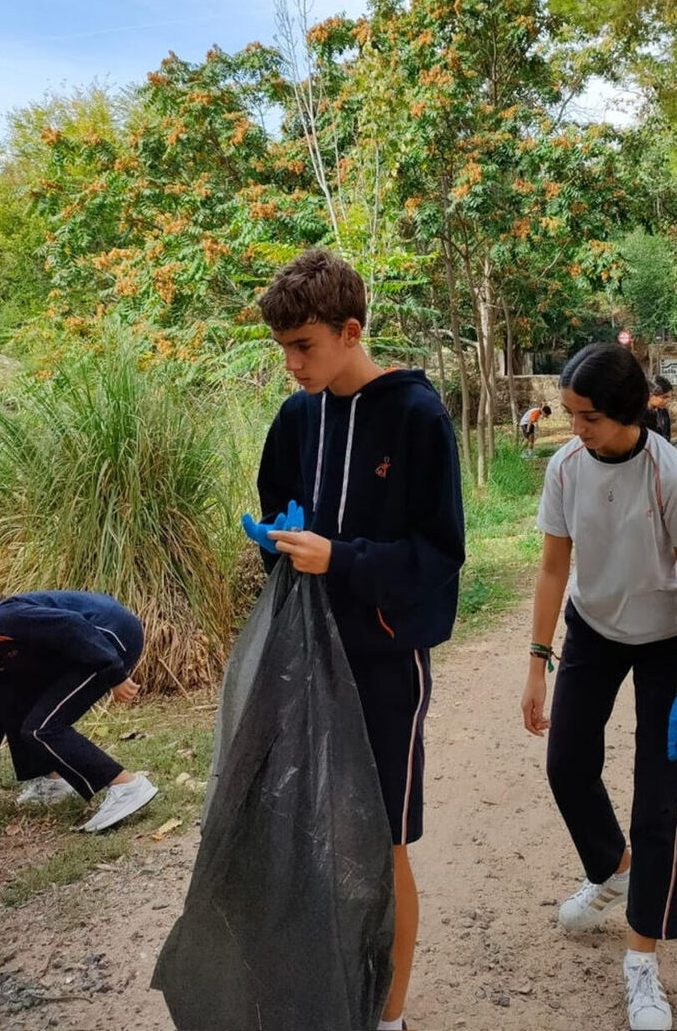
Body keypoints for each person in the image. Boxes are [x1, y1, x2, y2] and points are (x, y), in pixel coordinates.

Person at [253, 247, 465, 1031]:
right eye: (281, 350)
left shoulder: (416, 415)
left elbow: (441, 557)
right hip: (303, 658)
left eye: (303, 346)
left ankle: (391, 1015)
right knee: (309, 835)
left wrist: (340, 557)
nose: (292, 365)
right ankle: (326, 990)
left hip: (383, 665)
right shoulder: (296, 417)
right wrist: (273, 537)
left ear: (350, 330)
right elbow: (278, 509)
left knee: (384, 845)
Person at [522, 342, 677, 1031]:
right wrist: (539, 660)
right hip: (595, 628)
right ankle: (614, 867)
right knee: (567, 763)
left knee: (661, 801)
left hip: (665, 641)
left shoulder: (666, 473)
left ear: (628, 412)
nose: (575, 427)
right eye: (570, 413)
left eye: (588, 416)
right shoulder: (566, 465)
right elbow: (552, 567)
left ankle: (642, 959)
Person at [0, 591, 157, 831]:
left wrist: (113, 673)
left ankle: (127, 786)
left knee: (40, 728)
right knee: (15, 705)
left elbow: (71, 625)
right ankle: (53, 782)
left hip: (111, 634)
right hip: (93, 642)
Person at [644, 376, 674, 442]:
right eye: (664, 397)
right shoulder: (638, 416)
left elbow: (667, 436)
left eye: (669, 397)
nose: (667, 400)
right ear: (650, 395)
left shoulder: (663, 413)